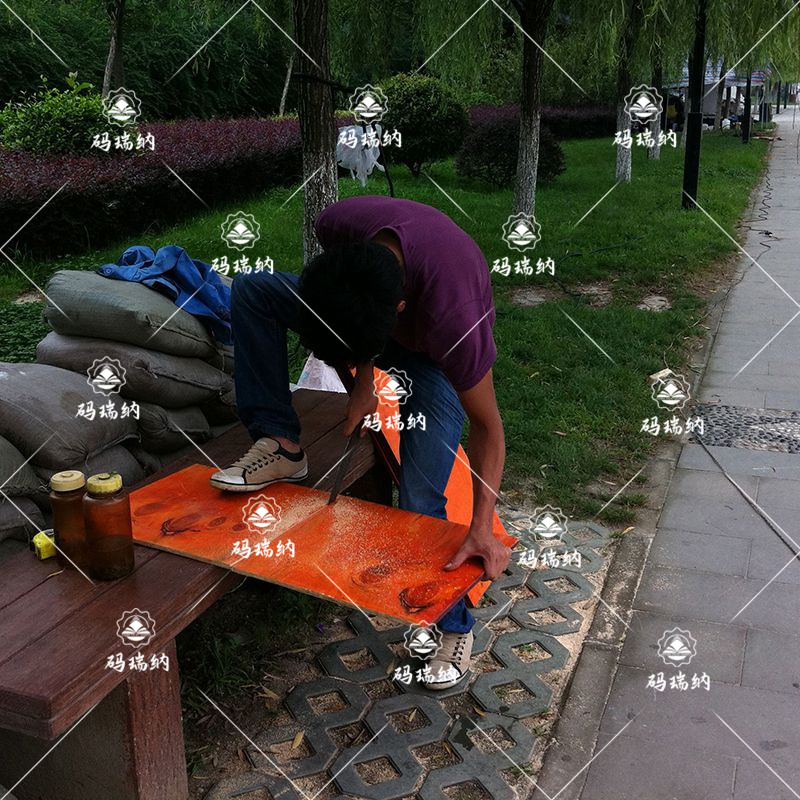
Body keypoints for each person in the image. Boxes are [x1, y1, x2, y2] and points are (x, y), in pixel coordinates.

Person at [211, 195, 511, 689]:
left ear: (400, 311)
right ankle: (281, 444)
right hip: (373, 321)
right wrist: (362, 378)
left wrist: (481, 526)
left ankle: (453, 628)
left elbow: (489, 428)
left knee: (420, 500)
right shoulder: (339, 224)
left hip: (430, 360)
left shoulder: (456, 321)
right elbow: (343, 304)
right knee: (254, 288)